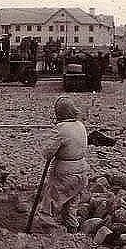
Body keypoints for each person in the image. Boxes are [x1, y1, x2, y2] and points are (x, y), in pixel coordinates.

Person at [38, 96, 89, 233]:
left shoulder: (61, 129)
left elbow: (47, 153)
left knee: (50, 202)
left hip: (65, 172)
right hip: (82, 170)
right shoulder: (80, 125)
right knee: (72, 201)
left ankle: (48, 233)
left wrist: (43, 144)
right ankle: (72, 230)